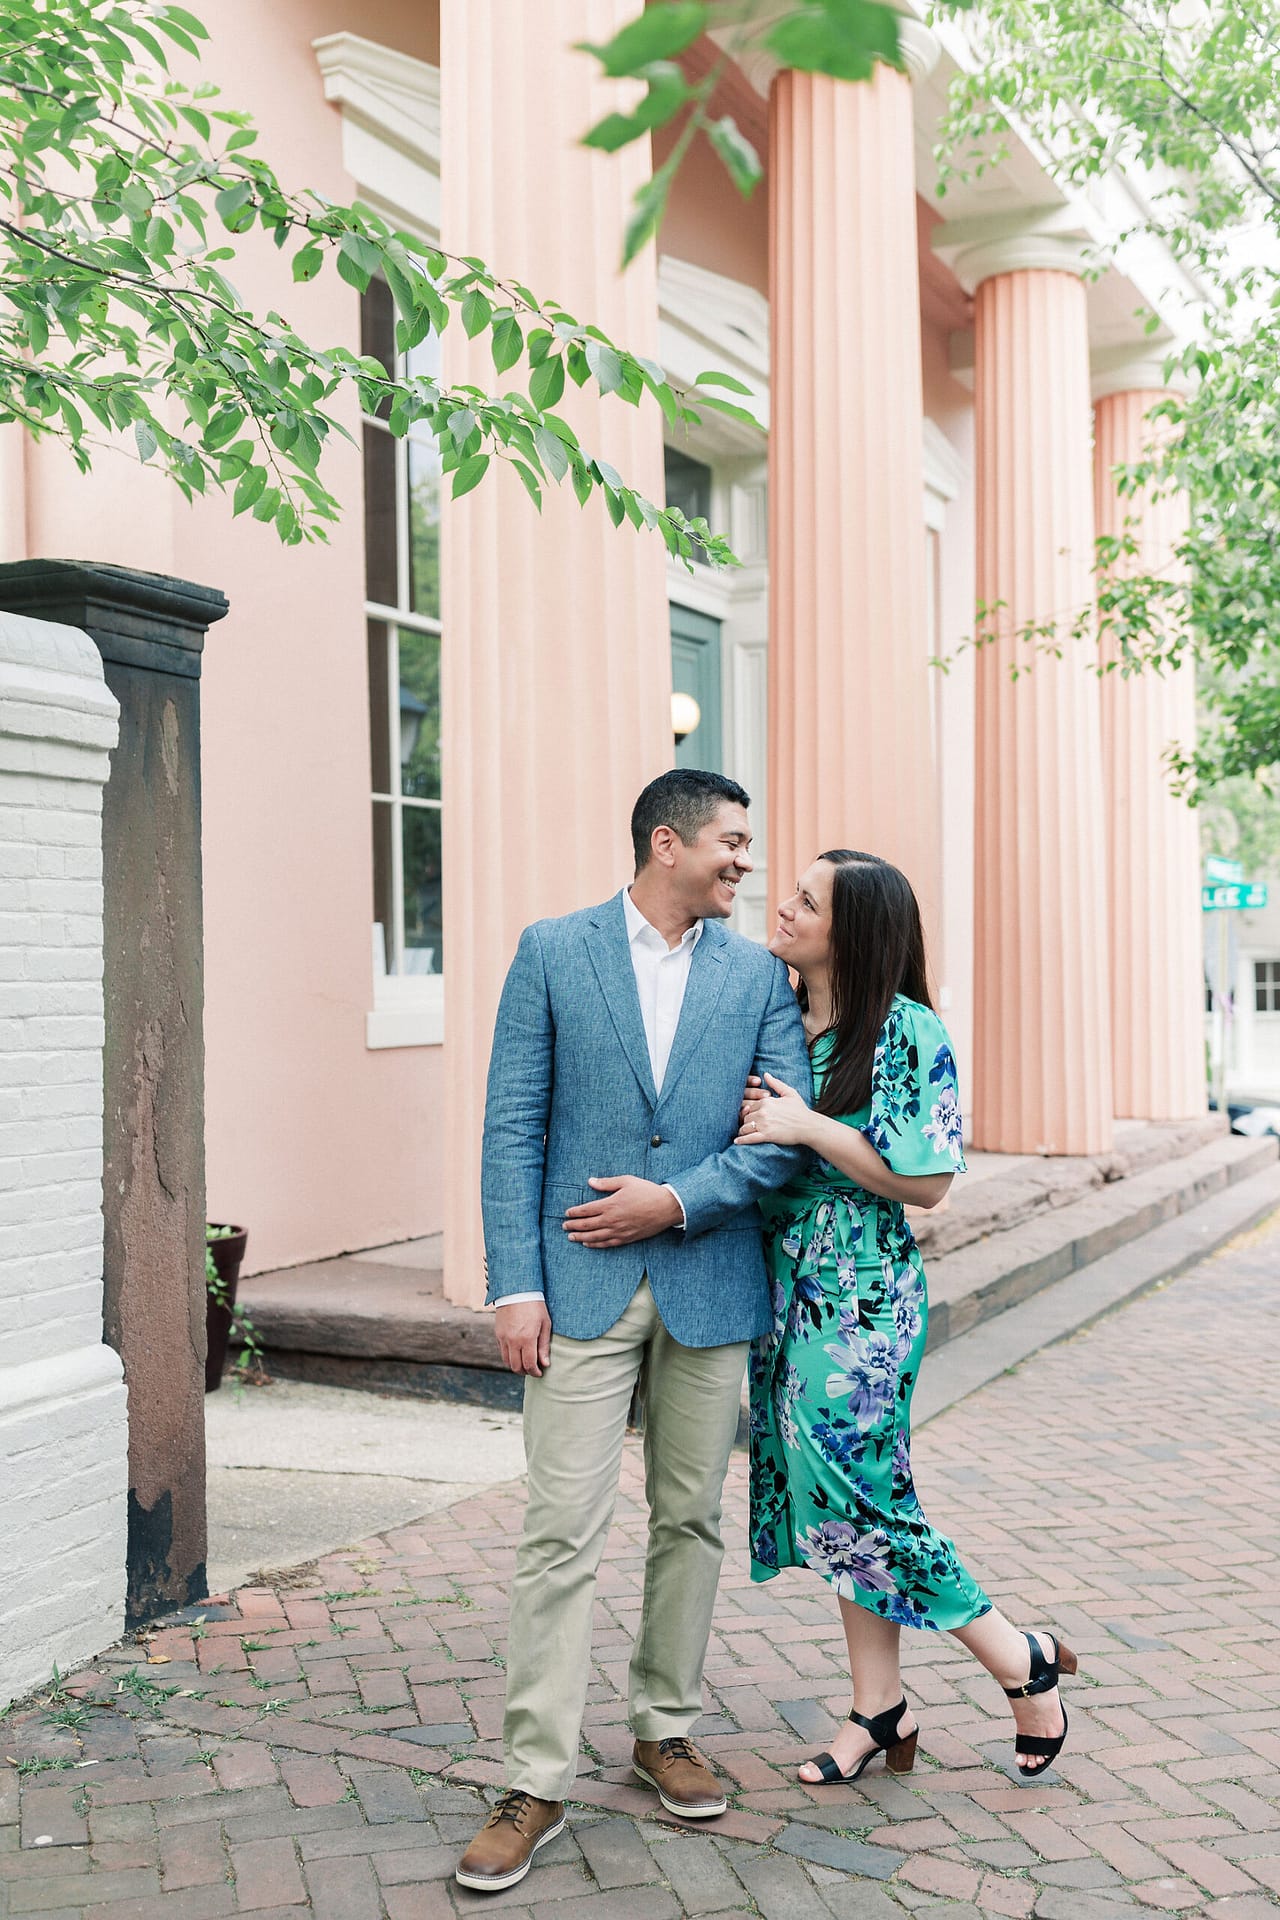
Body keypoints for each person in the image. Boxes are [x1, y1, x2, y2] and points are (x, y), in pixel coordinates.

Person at [455, 770, 813, 1893]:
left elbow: (781, 1138)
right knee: (561, 1528)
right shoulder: (552, 951)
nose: (745, 863)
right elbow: (511, 1123)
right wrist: (512, 1284)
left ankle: (663, 1726)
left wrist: (677, 1199)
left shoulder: (758, 976)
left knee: (689, 1517)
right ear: (668, 842)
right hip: (574, 1288)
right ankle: (534, 1778)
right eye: (731, 842)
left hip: (709, 1280)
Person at [737, 850, 1077, 1787]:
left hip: (862, 1296)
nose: (785, 907)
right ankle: (878, 1709)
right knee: (835, 1506)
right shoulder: (774, 1009)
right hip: (781, 1291)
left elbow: (927, 1184)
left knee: (865, 1497)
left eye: (808, 900)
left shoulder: (906, 1033)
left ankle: (1020, 1657)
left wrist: (812, 1127)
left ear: (855, 930)